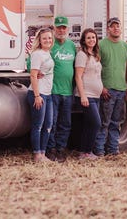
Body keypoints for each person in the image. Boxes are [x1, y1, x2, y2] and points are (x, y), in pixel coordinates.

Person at [94, 17, 127, 156]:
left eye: (118, 26)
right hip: (107, 90)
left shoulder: (126, 47)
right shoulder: (101, 45)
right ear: (108, 29)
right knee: (104, 122)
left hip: (122, 90)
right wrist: (101, 87)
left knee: (116, 122)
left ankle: (113, 149)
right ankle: (99, 150)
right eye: (113, 26)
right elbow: (95, 68)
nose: (116, 28)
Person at [46, 16, 77, 162]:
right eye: (58, 27)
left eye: (64, 27)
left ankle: (61, 149)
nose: (61, 30)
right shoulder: (49, 44)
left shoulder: (71, 46)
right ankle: (51, 149)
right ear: (54, 28)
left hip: (68, 92)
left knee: (65, 123)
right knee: (52, 122)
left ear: (68, 29)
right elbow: (33, 60)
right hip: (53, 91)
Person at [74, 28, 102, 160]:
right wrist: (83, 95)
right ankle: (87, 151)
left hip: (96, 95)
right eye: (88, 38)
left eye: (93, 37)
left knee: (89, 124)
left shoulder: (95, 54)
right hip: (87, 95)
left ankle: (84, 152)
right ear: (84, 41)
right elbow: (78, 77)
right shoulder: (82, 55)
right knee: (96, 123)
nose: (91, 40)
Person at [27, 27, 55, 162]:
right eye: (44, 38)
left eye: (49, 38)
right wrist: (37, 96)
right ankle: (37, 154)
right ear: (40, 40)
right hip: (38, 93)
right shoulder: (37, 54)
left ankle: (43, 154)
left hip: (48, 93)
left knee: (48, 125)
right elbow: (33, 75)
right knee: (38, 125)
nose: (48, 40)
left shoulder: (47, 53)